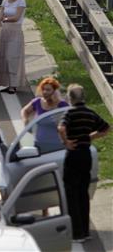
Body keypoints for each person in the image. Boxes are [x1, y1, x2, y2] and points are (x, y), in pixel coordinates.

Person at [58, 84, 110, 243]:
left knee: (71, 193)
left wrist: (66, 141)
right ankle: (85, 231)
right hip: (85, 155)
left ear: (70, 98)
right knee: (82, 193)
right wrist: (89, 137)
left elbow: (61, 127)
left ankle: (77, 232)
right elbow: (106, 128)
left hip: (73, 155)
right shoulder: (90, 113)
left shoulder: (70, 112)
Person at [21, 77, 69, 153]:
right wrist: (25, 120)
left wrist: (55, 102)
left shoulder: (62, 105)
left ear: (55, 91)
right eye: (43, 89)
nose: (45, 92)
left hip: (58, 145)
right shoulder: (37, 102)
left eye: (48, 90)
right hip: (40, 143)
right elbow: (25, 110)